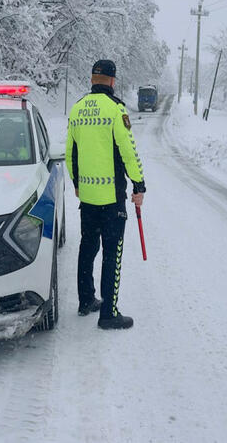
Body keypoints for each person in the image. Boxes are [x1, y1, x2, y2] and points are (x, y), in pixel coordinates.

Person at [65, 59, 146, 330]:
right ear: (112, 81)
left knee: (88, 247)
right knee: (112, 252)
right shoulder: (115, 110)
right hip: (112, 198)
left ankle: (86, 300)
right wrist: (139, 184)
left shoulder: (76, 109)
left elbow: (69, 154)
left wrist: (77, 183)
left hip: (87, 196)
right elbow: (128, 151)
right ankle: (109, 314)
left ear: (91, 79)